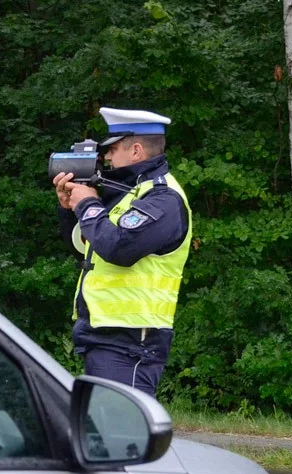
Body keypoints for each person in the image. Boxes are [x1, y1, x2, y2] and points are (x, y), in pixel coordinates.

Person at [53, 107, 192, 397]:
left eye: (112, 149)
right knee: (107, 431)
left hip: (131, 340)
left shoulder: (162, 199)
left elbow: (119, 248)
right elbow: (86, 250)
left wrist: (88, 205)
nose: (105, 158)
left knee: (121, 434)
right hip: (108, 335)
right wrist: (70, 209)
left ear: (136, 150)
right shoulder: (129, 196)